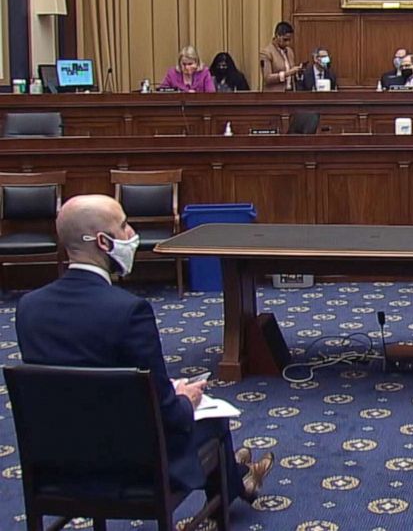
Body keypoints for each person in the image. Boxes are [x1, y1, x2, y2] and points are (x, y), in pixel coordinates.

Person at [15, 195, 274, 508]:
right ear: (103, 241)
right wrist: (184, 398)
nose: (131, 233)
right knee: (213, 420)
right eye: (124, 225)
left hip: (60, 460)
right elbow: (168, 415)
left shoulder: (29, 308)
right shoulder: (128, 311)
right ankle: (238, 480)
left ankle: (239, 471)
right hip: (132, 464)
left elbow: (69, 381)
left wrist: (161, 390)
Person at [260, 21, 301, 92]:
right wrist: (287, 74)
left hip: (290, 92)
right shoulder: (266, 53)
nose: (288, 43)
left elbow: (292, 71)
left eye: (289, 40)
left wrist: (297, 71)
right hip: (274, 95)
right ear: (277, 36)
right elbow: (267, 78)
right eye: (285, 39)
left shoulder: (290, 51)